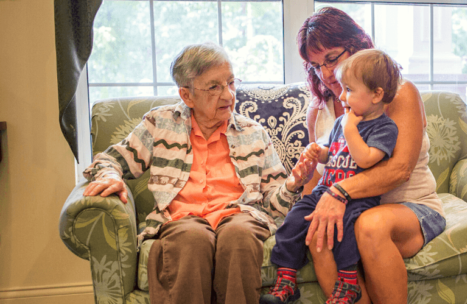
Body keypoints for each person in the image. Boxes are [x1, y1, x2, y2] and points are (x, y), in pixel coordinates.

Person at [82, 42, 316, 304]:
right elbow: (108, 161)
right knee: (191, 238)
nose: (228, 95)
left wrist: (293, 185)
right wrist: (110, 176)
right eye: (214, 87)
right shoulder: (161, 123)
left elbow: (275, 206)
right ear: (187, 95)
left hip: (239, 214)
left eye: (230, 83)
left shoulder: (253, 133)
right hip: (181, 219)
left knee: (239, 235)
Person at [297, 7, 447, 304]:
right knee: (316, 230)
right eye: (316, 66)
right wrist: (302, 193)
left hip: (410, 208)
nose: (326, 74)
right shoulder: (320, 109)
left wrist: (338, 193)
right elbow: (317, 177)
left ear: (359, 45)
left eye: (332, 58)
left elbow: (398, 169)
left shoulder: (398, 94)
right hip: (352, 212)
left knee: (371, 224)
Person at [261, 49, 401, 304]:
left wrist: (350, 129)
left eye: (350, 89)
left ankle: (348, 283)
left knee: (344, 228)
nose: (342, 95)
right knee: (294, 219)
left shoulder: (384, 127)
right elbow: (333, 154)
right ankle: (286, 279)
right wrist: (318, 152)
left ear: (376, 94)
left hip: (358, 199)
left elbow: (366, 159)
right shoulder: (341, 122)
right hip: (324, 191)